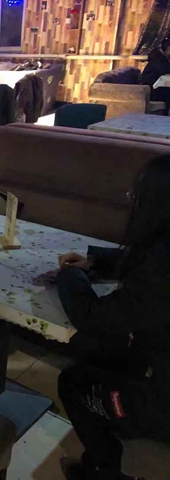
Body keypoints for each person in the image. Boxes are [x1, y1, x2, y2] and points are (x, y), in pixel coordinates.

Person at [55, 155, 170, 480]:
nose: (130, 198)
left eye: (138, 194)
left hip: (162, 397)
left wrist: (69, 277)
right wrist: (96, 262)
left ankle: (104, 468)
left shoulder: (160, 275)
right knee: (97, 353)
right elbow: (145, 262)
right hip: (155, 362)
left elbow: (92, 315)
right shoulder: (161, 252)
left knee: (74, 383)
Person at [141, 38, 170, 114]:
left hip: (158, 87)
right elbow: (165, 70)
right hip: (152, 90)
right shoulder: (158, 59)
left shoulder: (162, 57)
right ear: (167, 48)